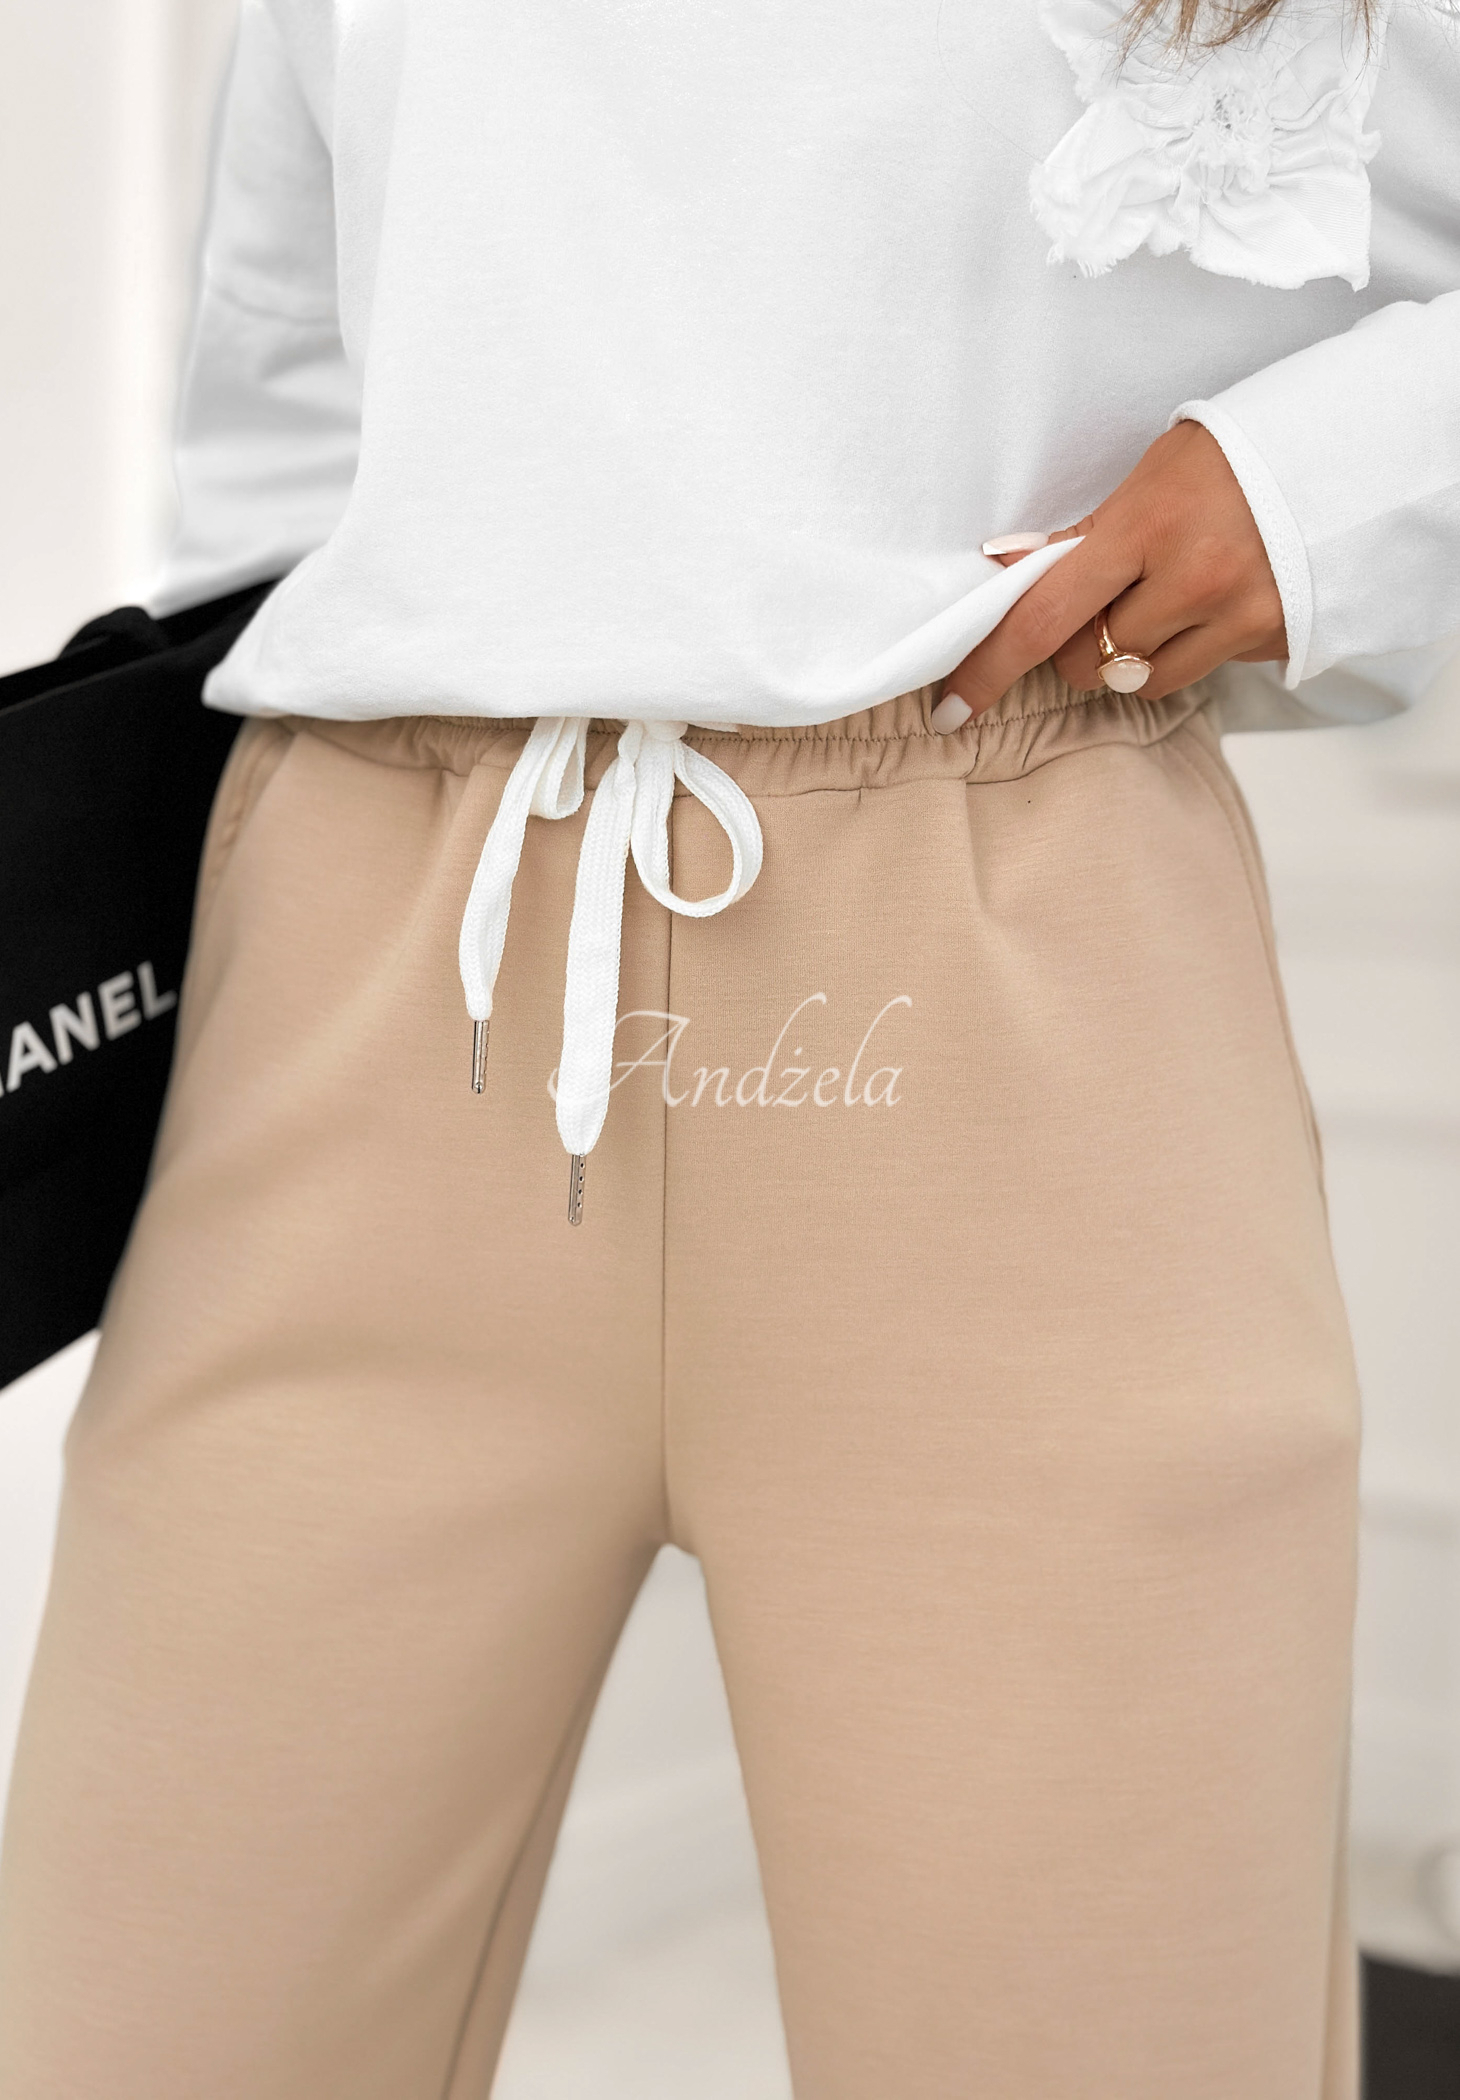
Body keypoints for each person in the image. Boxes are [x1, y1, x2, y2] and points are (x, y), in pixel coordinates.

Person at [0, 1, 1456, 2093]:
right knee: (143, 2032)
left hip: (1011, 997)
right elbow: (292, 387)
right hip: (372, 962)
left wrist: (1328, 481)